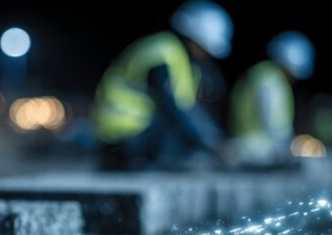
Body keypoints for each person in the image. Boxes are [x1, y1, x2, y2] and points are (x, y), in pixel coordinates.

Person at [92, 0, 231, 171]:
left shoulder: (175, 56)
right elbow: (175, 107)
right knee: (174, 119)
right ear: (194, 39)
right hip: (123, 132)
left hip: (125, 131)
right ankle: (152, 162)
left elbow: (189, 105)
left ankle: (152, 161)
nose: (206, 56)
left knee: (181, 120)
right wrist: (211, 142)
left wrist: (212, 136)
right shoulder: (164, 53)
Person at [227, 31, 313, 166]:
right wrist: (287, 148)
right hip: (257, 148)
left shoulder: (263, 73)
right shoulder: (271, 80)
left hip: (247, 144)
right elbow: (274, 124)